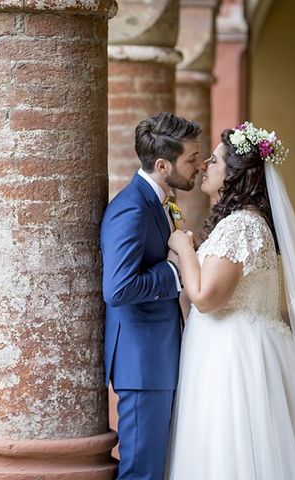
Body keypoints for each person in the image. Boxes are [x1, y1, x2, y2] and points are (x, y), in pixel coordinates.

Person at [165, 122, 295, 479]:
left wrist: (183, 248)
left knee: (232, 450)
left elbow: (204, 298)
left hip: (233, 359)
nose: (204, 166)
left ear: (235, 176)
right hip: (238, 346)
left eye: (214, 162)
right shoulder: (245, 222)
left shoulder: (241, 227)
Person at [101, 112, 203, 480]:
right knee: (141, 473)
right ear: (163, 165)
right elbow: (118, 288)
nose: (199, 166)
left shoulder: (156, 200)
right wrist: (175, 270)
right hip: (142, 362)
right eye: (191, 158)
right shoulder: (130, 209)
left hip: (157, 355)